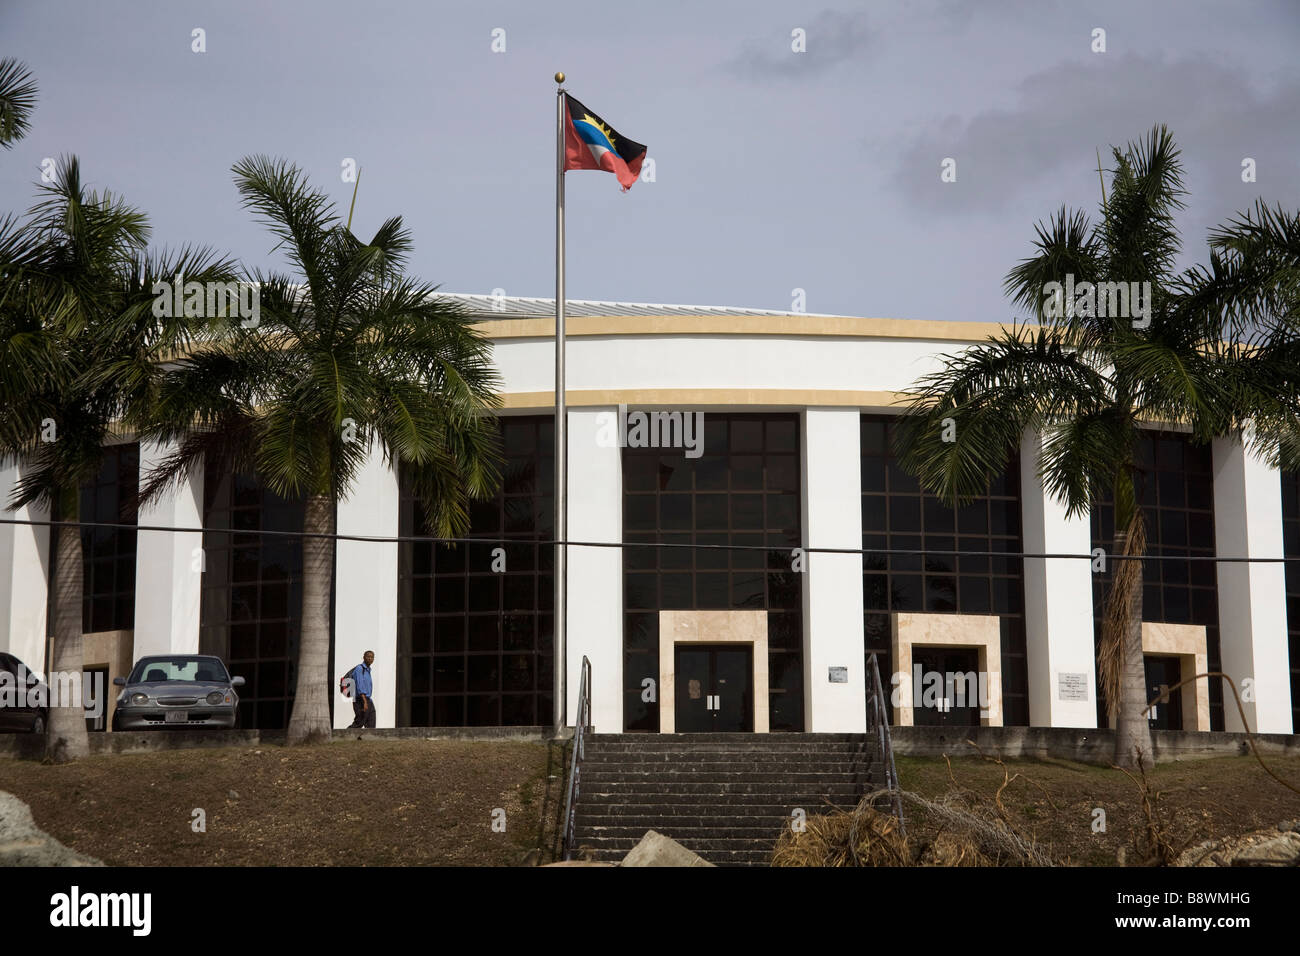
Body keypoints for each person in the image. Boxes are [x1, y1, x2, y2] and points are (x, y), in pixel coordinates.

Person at [348, 650, 376, 730]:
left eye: (372, 657)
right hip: (360, 699)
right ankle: (345, 736)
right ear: (364, 657)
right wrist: (364, 702)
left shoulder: (368, 670)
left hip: (368, 699)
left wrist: (367, 701)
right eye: (368, 656)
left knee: (371, 722)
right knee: (359, 722)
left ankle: (369, 740)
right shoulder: (359, 669)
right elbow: (360, 686)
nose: (370, 658)